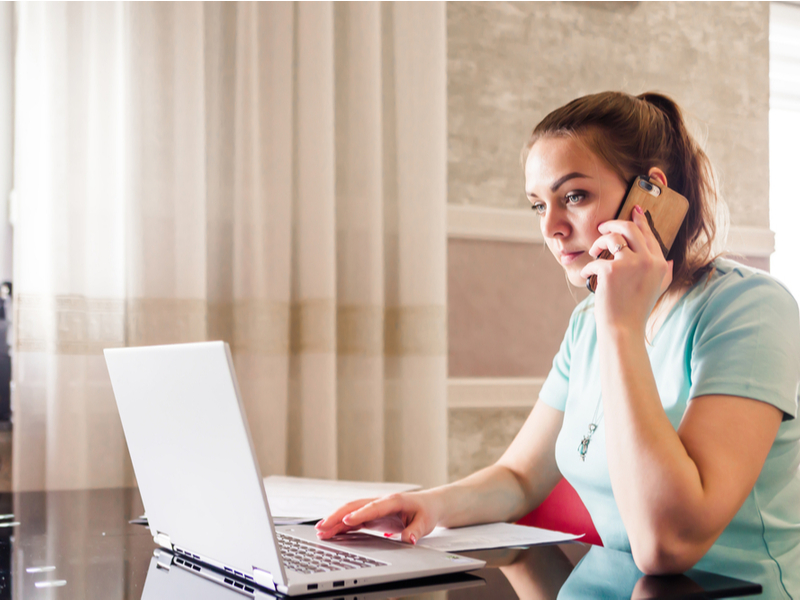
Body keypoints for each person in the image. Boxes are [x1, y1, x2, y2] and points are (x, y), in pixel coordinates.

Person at [315, 91, 800, 593]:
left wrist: (621, 329)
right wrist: (429, 505)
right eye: (537, 205)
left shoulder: (750, 309)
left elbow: (666, 547)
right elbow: (520, 478)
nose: (551, 228)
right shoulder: (589, 321)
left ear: (650, 192)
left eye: (574, 197)